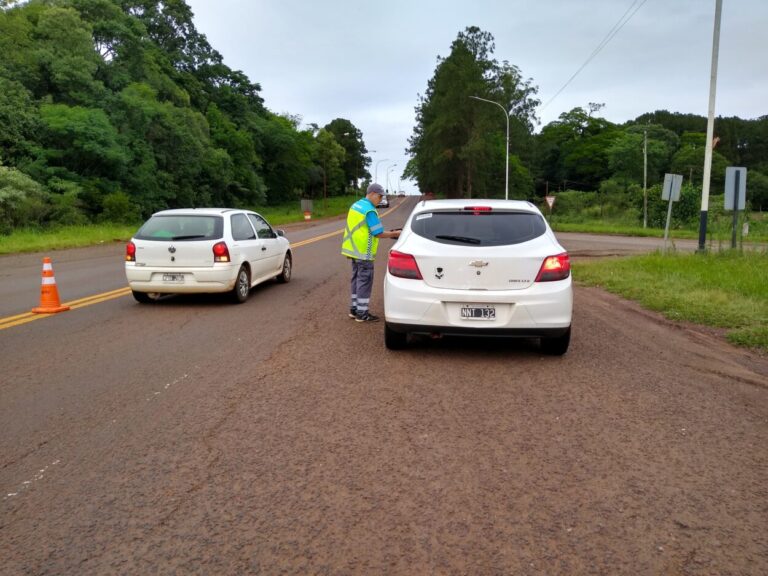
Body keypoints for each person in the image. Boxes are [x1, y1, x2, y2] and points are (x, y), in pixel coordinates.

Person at [341, 183, 400, 322]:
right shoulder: (370, 211)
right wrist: (396, 233)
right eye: (380, 197)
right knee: (365, 281)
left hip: (354, 251)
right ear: (372, 193)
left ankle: (354, 309)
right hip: (364, 252)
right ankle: (362, 313)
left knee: (356, 279)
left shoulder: (356, 205)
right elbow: (378, 233)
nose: (380, 200)